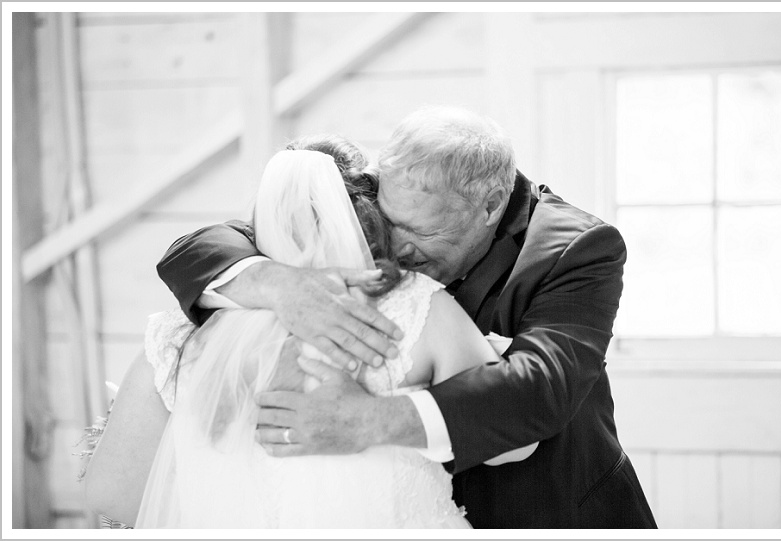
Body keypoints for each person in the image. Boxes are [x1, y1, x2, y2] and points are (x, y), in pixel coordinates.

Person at [157, 106, 657, 528]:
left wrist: (370, 420)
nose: (397, 246)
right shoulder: (392, 192)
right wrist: (277, 283)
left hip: (553, 511)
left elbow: (539, 386)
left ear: (489, 205)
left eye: (423, 231)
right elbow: (202, 246)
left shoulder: (579, 249)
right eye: (390, 221)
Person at [84, 135, 522, 528]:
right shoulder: (416, 306)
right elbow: (512, 444)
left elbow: (113, 494)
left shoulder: (180, 336)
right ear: (370, 212)